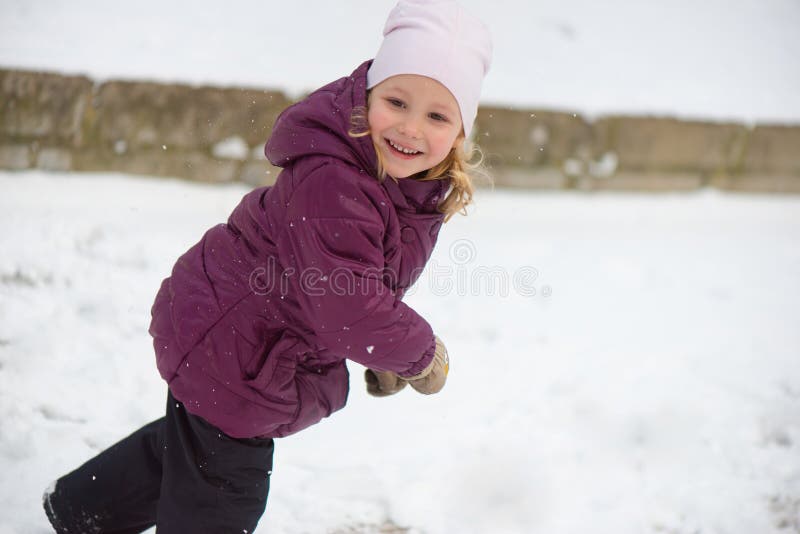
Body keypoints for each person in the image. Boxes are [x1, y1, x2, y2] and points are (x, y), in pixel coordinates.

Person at [42, 0, 492, 531]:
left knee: (193, 448)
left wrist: (380, 344)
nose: (412, 128)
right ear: (367, 93)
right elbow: (347, 302)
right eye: (397, 101)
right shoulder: (337, 182)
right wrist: (417, 353)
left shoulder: (400, 181)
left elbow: (356, 280)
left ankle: (84, 510)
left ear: (460, 132)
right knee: (222, 497)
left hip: (234, 336)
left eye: (438, 115)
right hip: (239, 351)